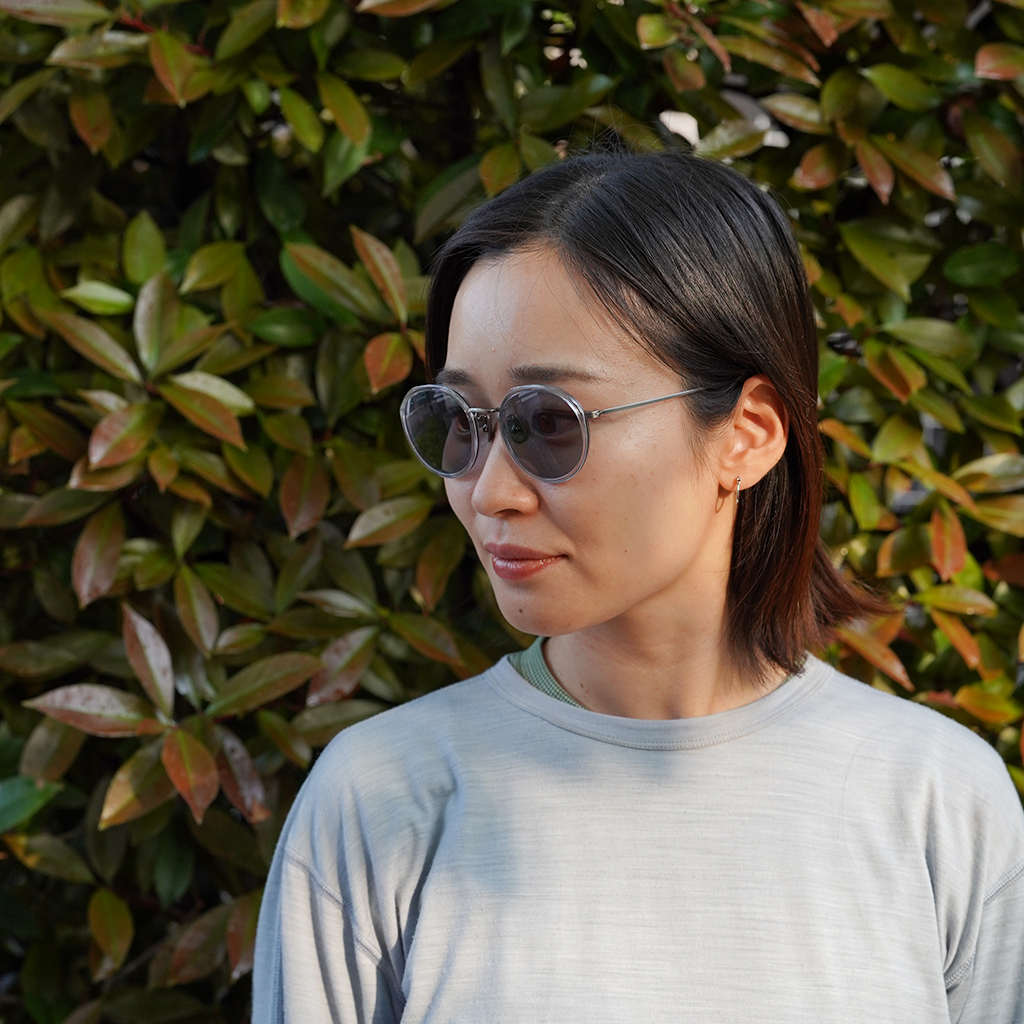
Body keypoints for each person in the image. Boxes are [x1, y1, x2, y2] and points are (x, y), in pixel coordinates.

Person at [252, 151, 1024, 1023]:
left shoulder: (937, 802)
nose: (490, 491)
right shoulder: (382, 801)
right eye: (461, 423)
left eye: (550, 423)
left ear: (748, 434)